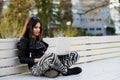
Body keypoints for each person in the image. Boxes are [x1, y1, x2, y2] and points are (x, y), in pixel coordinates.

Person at [17, 16, 82, 78]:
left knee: (75, 55)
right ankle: (65, 71)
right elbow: (22, 59)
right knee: (51, 55)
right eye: (36, 27)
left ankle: (56, 70)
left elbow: (43, 51)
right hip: (35, 68)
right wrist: (39, 60)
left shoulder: (37, 38)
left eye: (39, 27)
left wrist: (58, 56)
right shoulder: (24, 40)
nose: (38, 30)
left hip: (45, 64)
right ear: (29, 27)